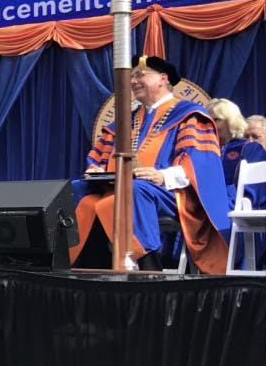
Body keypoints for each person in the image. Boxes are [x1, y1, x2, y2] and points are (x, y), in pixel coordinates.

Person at [69, 55, 231, 273]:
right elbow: (98, 156)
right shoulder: (125, 121)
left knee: (134, 191)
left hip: (172, 192)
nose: (133, 81)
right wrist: (96, 168)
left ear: (162, 79)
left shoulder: (189, 115)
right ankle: (89, 267)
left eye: (140, 74)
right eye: (131, 76)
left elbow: (201, 164)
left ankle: (150, 269)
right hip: (121, 188)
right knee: (76, 189)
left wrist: (163, 176)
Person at [207, 98, 266, 269]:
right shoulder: (205, 147)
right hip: (208, 198)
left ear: (230, 121)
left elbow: (251, 192)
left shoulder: (248, 148)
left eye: (216, 119)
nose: (211, 123)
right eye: (208, 118)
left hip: (234, 201)